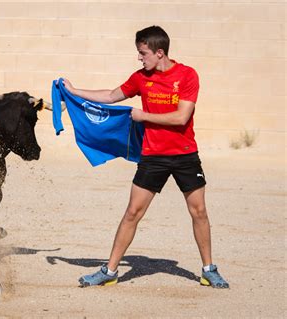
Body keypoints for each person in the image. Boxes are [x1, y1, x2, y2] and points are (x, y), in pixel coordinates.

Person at [63, 25, 229, 289]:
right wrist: (73, 91)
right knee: (132, 213)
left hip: (185, 155)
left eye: (143, 53)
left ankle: (209, 270)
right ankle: (110, 271)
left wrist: (143, 116)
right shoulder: (141, 78)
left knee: (199, 211)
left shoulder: (187, 75)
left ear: (159, 52)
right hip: (153, 156)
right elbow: (110, 95)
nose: (140, 58)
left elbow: (181, 117)